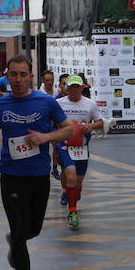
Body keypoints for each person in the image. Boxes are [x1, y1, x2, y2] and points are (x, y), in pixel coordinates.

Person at [0, 55, 72, 270]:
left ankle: (14, 241)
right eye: (13, 74)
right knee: (20, 231)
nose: (18, 80)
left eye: (23, 75)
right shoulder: (1, 104)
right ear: (7, 76)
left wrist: (46, 137)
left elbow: (69, 130)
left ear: (31, 76)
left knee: (33, 230)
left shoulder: (45, 101)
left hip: (39, 176)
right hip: (11, 176)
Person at [55, 75, 103, 227]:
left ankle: (73, 194)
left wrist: (90, 127)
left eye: (77, 86)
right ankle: (72, 211)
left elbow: (100, 122)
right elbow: (51, 122)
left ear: (82, 87)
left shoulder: (90, 104)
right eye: (72, 86)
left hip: (82, 147)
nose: (74, 90)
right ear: (66, 88)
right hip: (64, 146)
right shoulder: (58, 103)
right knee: (70, 175)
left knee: (78, 181)